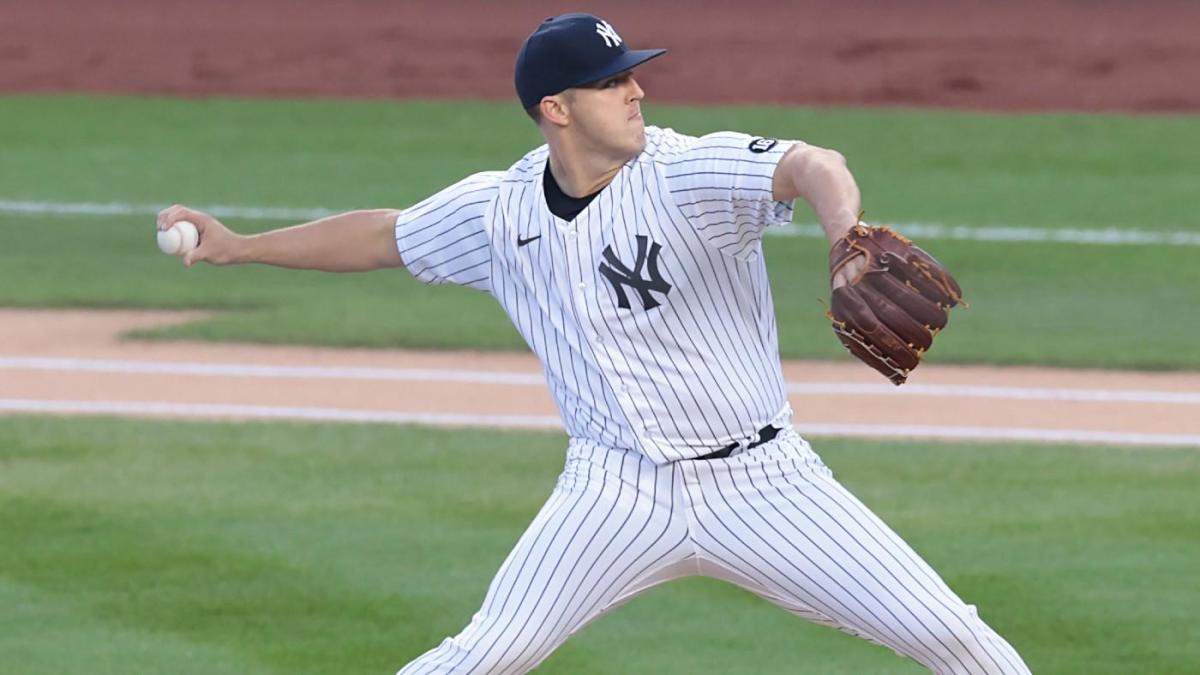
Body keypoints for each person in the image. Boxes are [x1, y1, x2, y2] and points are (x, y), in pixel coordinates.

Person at [158, 12, 1029, 675]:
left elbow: (810, 162)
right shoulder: (498, 212)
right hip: (613, 490)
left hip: (766, 482)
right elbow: (387, 234)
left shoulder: (686, 172)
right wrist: (242, 245)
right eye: (614, 82)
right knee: (483, 653)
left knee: (953, 633)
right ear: (556, 108)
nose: (638, 91)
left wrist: (847, 231)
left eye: (633, 75)